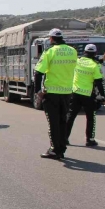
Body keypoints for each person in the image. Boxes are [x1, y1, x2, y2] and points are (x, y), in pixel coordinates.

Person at [34, 29, 78, 159]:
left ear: (51, 39)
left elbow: (38, 72)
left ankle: (54, 149)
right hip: (67, 92)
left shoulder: (50, 52)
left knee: (53, 123)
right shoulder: (73, 51)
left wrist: (38, 91)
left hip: (52, 92)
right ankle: (61, 148)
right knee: (62, 121)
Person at [66, 44, 105, 147]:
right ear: (95, 53)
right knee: (91, 117)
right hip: (88, 95)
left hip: (75, 93)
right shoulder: (95, 65)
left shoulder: (77, 61)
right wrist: (103, 95)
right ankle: (90, 139)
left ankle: (64, 138)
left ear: (84, 52)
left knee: (70, 116)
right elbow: (99, 82)